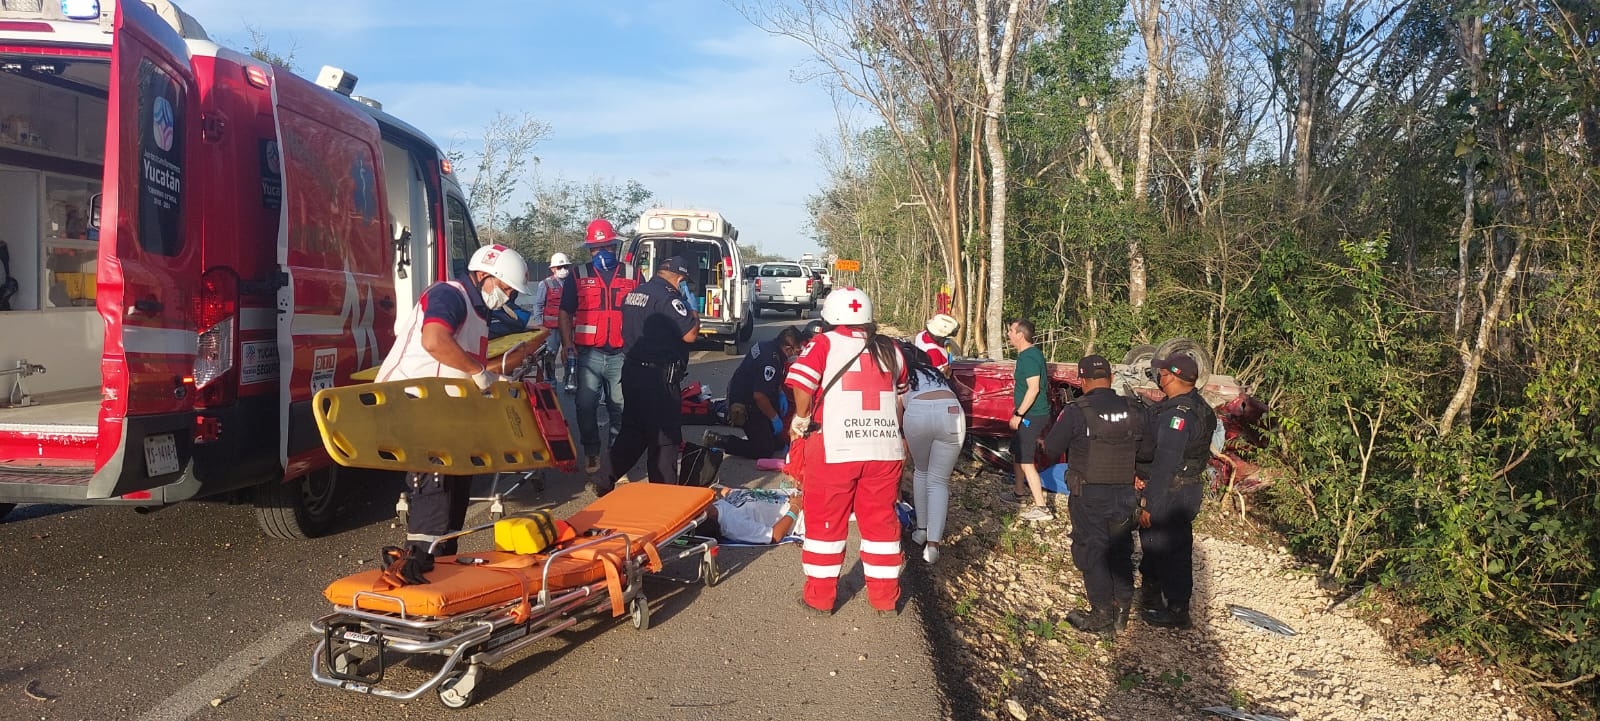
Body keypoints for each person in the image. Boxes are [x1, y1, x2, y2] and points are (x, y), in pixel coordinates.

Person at [374, 243, 535, 566]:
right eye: (505, 289)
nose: (508, 297)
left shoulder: (478, 312)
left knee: (458, 489)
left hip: (443, 409)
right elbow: (434, 340)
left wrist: (498, 374)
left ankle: (443, 566)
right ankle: (420, 567)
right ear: (485, 276)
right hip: (415, 403)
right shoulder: (451, 294)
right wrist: (477, 372)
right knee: (435, 494)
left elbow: (465, 366)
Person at [785, 287, 907, 616]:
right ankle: (885, 599)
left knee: (826, 522)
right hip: (884, 450)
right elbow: (900, 396)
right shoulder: (891, 349)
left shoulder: (823, 343)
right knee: (881, 522)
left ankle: (820, 598)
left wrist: (801, 418)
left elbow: (802, 383)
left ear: (830, 316)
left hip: (835, 448)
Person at [1041, 354, 1147, 638]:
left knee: (1092, 551)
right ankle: (1122, 609)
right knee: (1121, 549)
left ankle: (1101, 614)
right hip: (1125, 493)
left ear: (1082, 380)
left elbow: (1051, 448)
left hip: (1089, 493)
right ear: (1111, 378)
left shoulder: (1078, 410)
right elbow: (1148, 450)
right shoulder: (1134, 409)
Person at [598, 255, 700, 492]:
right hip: (658, 380)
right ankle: (662, 496)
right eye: (684, 282)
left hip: (633, 372)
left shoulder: (636, 293)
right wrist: (693, 312)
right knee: (665, 440)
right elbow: (690, 335)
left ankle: (603, 478)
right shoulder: (668, 298)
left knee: (633, 433)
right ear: (680, 278)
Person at [1136, 353, 1218, 629]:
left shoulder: (1178, 415)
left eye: (1161, 373)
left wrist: (1149, 504)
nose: (1159, 377)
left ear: (1170, 376)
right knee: (1159, 546)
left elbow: (1166, 462)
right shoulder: (1198, 406)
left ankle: (1176, 609)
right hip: (1183, 488)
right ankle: (1153, 598)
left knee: (1170, 550)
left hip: (1172, 492)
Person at [560, 219, 638, 474]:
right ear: (589, 250)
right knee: (585, 405)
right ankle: (592, 452)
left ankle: (616, 458)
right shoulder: (578, 275)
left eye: (606, 246)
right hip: (588, 354)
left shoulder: (632, 274)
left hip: (622, 354)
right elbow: (565, 312)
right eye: (596, 248)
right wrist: (567, 344)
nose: (601, 252)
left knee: (621, 407)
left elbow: (642, 311)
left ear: (614, 246)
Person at [898, 343, 965, 565]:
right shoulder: (934, 372)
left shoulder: (902, 374)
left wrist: (899, 434)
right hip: (952, 413)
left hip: (918, 413)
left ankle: (921, 530)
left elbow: (899, 409)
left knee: (921, 471)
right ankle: (933, 545)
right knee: (939, 482)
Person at [709, 326, 806, 460]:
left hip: (747, 394)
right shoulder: (771, 361)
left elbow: (769, 379)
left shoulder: (767, 346)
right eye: (796, 350)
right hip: (745, 405)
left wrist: (780, 393)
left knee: (777, 442)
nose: (796, 354)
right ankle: (721, 441)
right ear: (788, 348)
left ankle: (767, 431)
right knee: (764, 449)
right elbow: (759, 396)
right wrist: (774, 418)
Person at [1002, 318, 1054, 522]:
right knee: (1017, 452)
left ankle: (1042, 508)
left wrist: (1019, 414)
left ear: (1020, 335)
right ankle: (1018, 493)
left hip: (1032, 415)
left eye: (1011, 331)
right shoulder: (1025, 355)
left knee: (1026, 460)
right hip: (1027, 414)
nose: (1008, 334)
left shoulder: (1030, 357)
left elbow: (1034, 389)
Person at [528, 252, 575, 390]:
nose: (563, 270)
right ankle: (550, 382)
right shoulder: (546, 284)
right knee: (549, 355)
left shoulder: (573, 283)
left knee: (570, 354)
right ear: (553, 269)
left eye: (565, 266)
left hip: (569, 326)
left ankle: (569, 380)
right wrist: (540, 325)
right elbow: (538, 304)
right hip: (551, 328)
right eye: (559, 267)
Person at [703, 486, 805, 544]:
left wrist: (729, 493)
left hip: (800, 494)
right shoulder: (733, 524)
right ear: (705, 513)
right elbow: (774, 536)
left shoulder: (718, 504)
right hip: (804, 515)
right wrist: (795, 507)